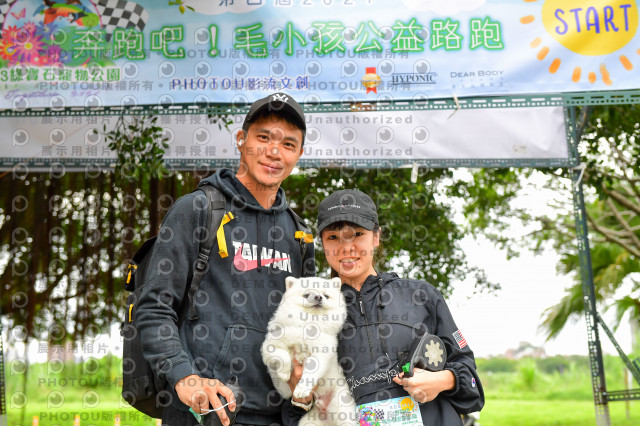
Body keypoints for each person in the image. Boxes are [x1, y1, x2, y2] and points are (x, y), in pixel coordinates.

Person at [136, 92, 316, 426]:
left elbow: (305, 329)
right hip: (205, 412)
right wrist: (184, 377)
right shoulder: (199, 210)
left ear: (300, 154)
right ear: (240, 139)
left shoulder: (300, 235)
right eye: (263, 137)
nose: (275, 152)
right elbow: (154, 307)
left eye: (289, 144)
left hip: (278, 416)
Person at [285, 189, 484, 425]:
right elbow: (293, 410)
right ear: (322, 244)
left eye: (357, 234)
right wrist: (302, 397)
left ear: (376, 237)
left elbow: (471, 383)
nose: (346, 247)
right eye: (334, 237)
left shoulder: (422, 296)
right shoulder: (308, 314)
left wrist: (442, 380)